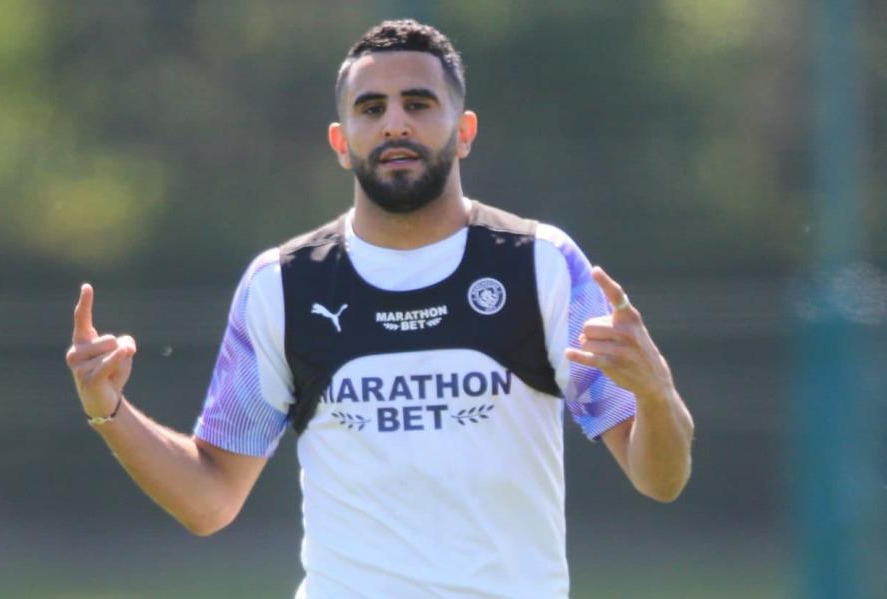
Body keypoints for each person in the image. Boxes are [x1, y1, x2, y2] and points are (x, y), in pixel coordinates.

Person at [65, 19, 694, 598]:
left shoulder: (541, 264)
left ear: (464, 130)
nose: (395, 123)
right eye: (372, 109)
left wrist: (657, 393)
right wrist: (109, 411)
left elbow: (659, 478)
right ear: (342, 142)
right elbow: (210, 501)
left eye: (418, 104)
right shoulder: (283, 285)